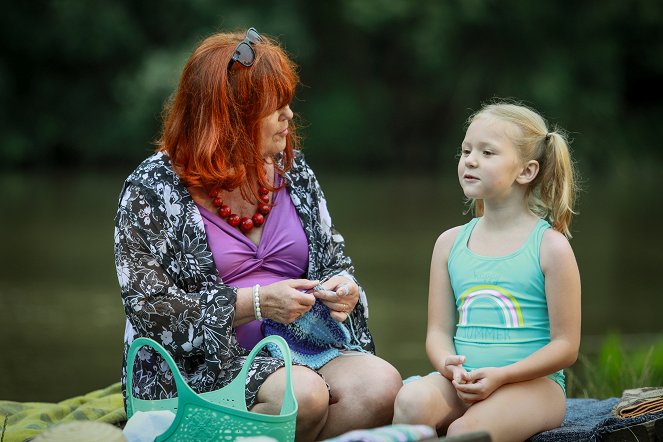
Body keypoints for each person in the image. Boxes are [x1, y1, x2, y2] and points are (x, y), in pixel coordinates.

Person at [114, 28, 402, 441]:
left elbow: (336, 259)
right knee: (300, 394)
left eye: (287, 102)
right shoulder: (152, 188)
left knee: (382, 386)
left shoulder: (294, 171)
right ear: (228, 116)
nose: (289, 116)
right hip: (200, 364)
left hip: (302, 346)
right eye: (274, 107)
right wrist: (257, 303)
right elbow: (151, 309)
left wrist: (344, 289)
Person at [392, 102, 581, 442]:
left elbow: (566, 346)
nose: (470, 160)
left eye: (487, 152)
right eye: (465, 151)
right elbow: (437, 331)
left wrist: (502, 376)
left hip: (532, 387)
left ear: (526, 171)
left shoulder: (549, 247)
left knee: (467, 431)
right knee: (411, 401)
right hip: (463, 381)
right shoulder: (449, 244)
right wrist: (449, 366)